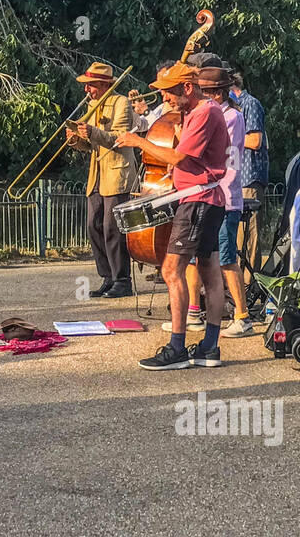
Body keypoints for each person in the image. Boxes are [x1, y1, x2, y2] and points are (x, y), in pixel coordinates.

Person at [115, 61, 229, 370]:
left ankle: (177, 348)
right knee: (208, 270)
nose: (164, 98)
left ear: (187, 88)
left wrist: (139, 140)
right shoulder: (196, 113)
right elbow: (188, 157)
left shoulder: (204, 112)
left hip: (197, 201)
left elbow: (178, 156)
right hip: (206, 198)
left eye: (168, 93)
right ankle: (208, 348)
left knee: (171, 270)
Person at [66, 61, 139, 299]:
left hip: (118, 173)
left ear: (104, 84)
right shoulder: (92, 105)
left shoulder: (121, 102)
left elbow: (120, 138)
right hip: (97, 174)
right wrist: (76, 140)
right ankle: (107, 276)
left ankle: (122, 280)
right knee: (93, 225)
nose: (87, 90)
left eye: (91, 86)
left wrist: (92, 131)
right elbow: (91, 146)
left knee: (112, 227)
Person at [196, 65, 255, 337]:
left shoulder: (232, 117)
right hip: (209, 194)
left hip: (225, 197)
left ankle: (242, 316)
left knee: (227, 258)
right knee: (203, 256)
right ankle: (197, 310)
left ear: (217, 94)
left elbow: (228, 159)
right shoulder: (213, 113)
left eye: (205, 92)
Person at [232, 70, 269, 291]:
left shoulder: (250, 104)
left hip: (249, 178)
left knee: (250, 236)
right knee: (237, 237)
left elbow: (255, 140)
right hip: (237, 178)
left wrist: (227, 133)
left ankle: (249, 285)